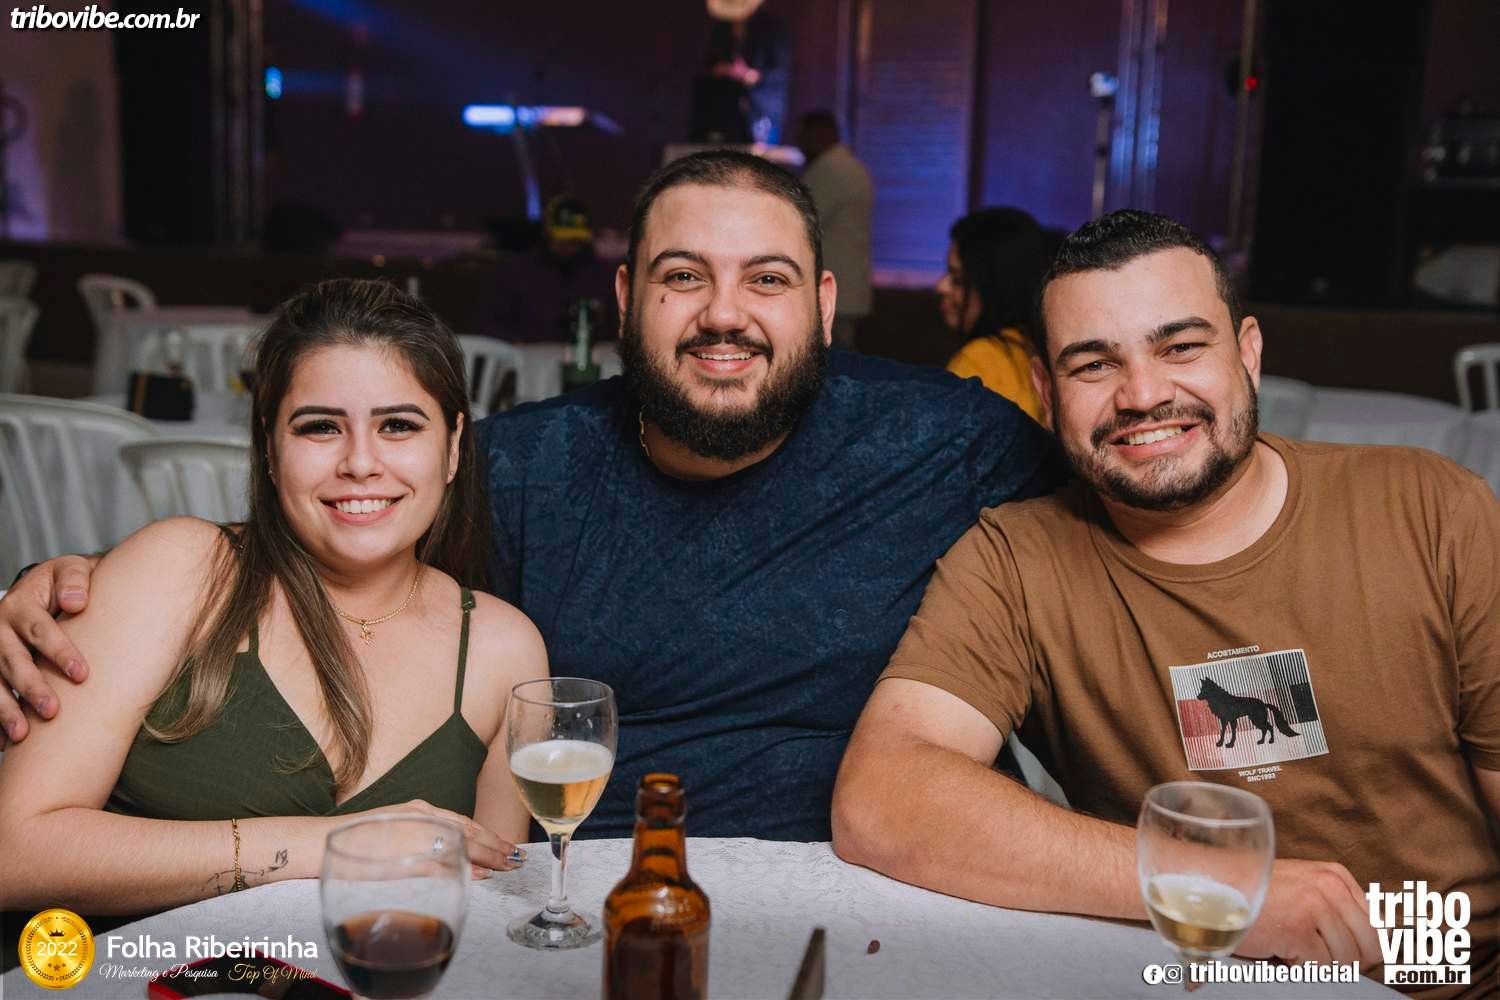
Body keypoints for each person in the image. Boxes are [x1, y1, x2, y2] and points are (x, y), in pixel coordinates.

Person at [0, 152, 1066, 844]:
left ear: (824, 305)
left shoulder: (954, 442)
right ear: (626, 299)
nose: (723, 314)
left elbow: (1135, 527)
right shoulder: (522, 468)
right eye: (683, 276)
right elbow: (330, 528)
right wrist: (60, 590)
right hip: (579, 896)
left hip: (870, 893)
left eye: (768, 279)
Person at [832, 210, 1500, 996]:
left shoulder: (1431, 511)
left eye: (1180, 347)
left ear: (1248, 353)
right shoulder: (1014, 561)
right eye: (1093, 364)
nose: (1143, 394)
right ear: (1046, 392)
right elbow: (883, 796)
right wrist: (1224, 891)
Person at [0, 280, 544, 942]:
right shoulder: (181, 569)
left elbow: (488, 914)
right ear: (268, 446)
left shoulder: (502, 649)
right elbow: (14, 852)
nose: (360, 463)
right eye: (320, 427)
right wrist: (334, 845)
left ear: (454, 446)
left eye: (399, 425)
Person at [938, 206, 1051, 423]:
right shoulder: (1044, 351)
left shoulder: (976, 363)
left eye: (958, 279)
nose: (941, 286)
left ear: (994, 286)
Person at [478, 195, 619, 345]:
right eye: (561, 240)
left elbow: (621, 329)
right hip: (528, 356)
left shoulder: (604, 275)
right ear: (547, 234)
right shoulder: (516, 273)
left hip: (591, 355)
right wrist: (514, 343)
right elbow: (487, 326)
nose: (568, 247)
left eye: (574, 241)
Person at [796, 110, 873, 351]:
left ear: (819, 133)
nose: (800, 143)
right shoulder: (853, 166)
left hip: (833, 286)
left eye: (804, 136)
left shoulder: (828, 169)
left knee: (829, 360)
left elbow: (799, 220)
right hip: (849, 285)